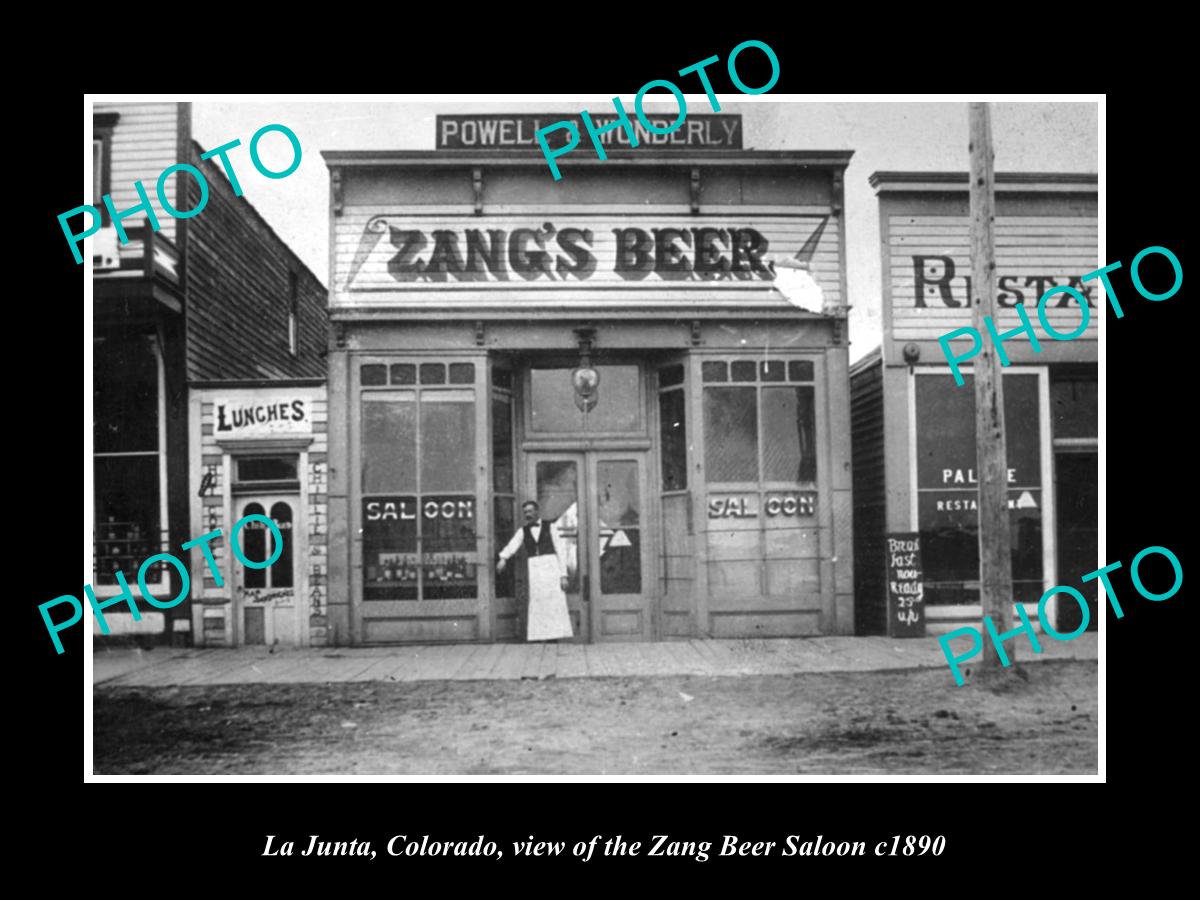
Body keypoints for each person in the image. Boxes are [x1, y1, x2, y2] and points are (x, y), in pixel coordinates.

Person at [497, 500, 573, 642]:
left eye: (530, 511)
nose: (528, 514)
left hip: (551, 567)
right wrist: (503, 558)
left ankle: (554, 637)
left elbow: (561, 551)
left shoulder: (551, 527)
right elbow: (512, 545)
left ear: (537, 512)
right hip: (535, 568)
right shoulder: (523, 531)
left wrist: (563, 575)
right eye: (525, 512)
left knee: (554, 602)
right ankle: (541, 637)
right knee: (538, 602)